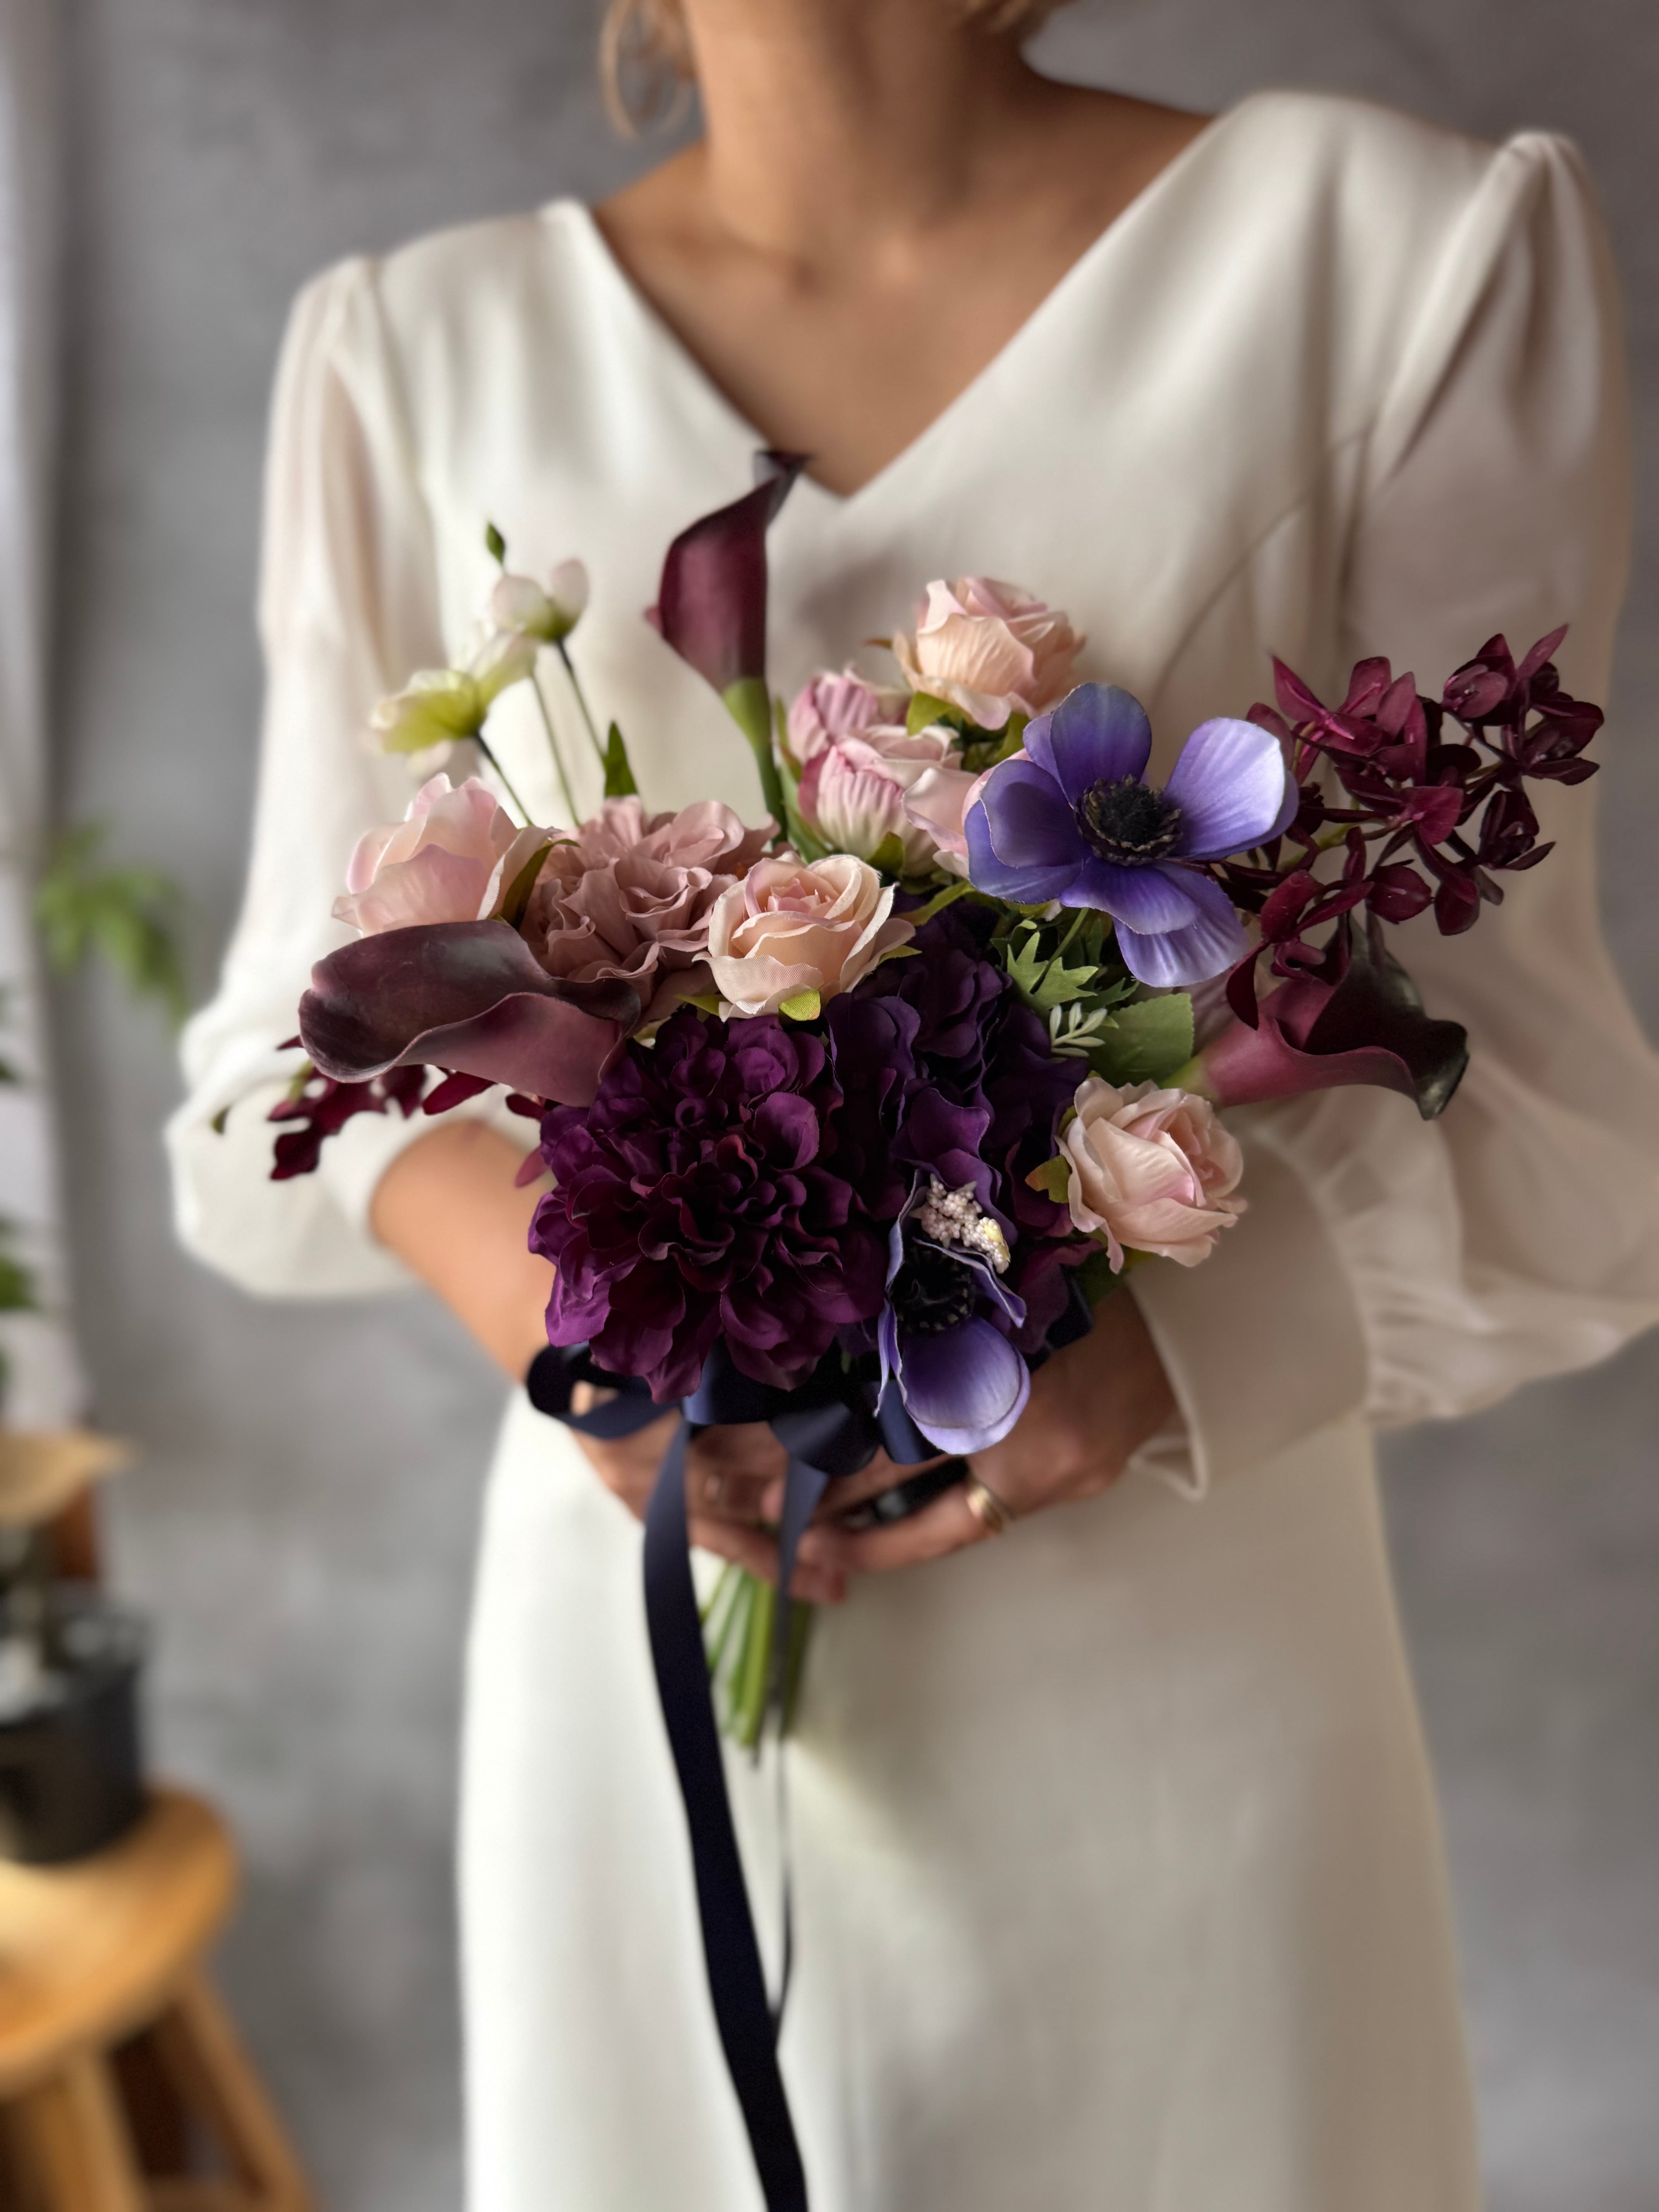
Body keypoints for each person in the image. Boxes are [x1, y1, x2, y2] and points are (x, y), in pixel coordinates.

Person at [167, 3, 1659, 2206]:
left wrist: (1141, 1361)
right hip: (646, 1649)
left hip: (1174, 1659)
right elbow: (271, 1075)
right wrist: (589, 1327)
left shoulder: (1389, 256)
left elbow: (1539, 1116)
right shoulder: (416, 353)